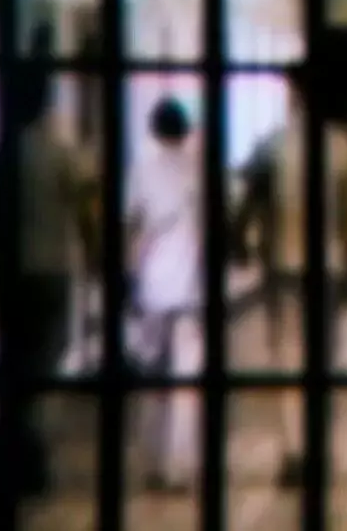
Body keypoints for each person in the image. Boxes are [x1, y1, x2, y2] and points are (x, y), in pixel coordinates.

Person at [231, 73, 347, 488]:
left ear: (293, 97)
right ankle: (319, 451)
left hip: (284, 266)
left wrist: (240, 241)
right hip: (328, 268)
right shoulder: (342, 146)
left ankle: (294, 452)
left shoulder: (272, 144)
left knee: (290, 361)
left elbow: (248, 200)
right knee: (324, 362)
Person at [0, 28, 96, 496]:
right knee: (48, 359)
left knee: (15, 356)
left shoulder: (1, 154)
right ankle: (29, 447)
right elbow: (85, 208)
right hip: (52, 270)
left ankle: (13, 442)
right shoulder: (59, 152)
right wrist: (98, 256)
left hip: (10, 274)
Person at [124, 96, 203, 493]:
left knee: (151, 377)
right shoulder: (197, 170)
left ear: (153, 129)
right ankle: (179, 466)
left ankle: (151, 460)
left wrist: (128, 274)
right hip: (189, 285)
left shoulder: (141, 168)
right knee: (185, 378)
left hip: (152, 283)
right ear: (185, 130)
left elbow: (132, 224)